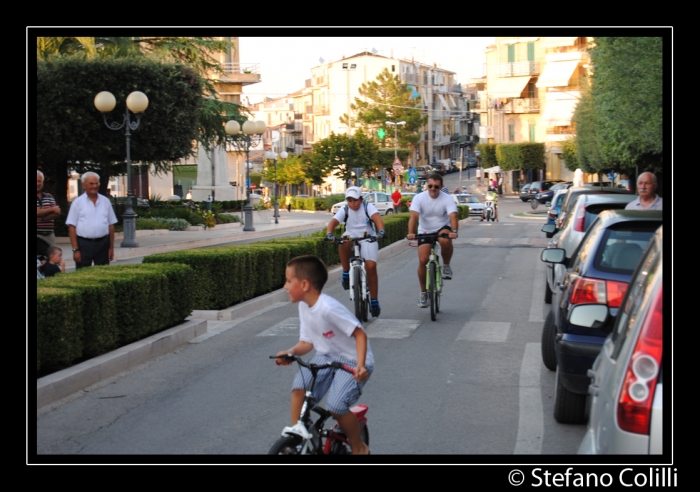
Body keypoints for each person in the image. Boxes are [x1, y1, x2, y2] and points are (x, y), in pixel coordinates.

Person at [274, 255, 373, 455]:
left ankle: (358, 446)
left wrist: (361, 365)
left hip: (352, 360)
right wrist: (291, 352)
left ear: (304, 285)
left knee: (336, 405)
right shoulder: (304, 306)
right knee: (299, 387)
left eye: (288, 281)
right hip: (327, 357)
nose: (284, 286)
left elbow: (360, 333)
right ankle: (298, 435)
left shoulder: (328, 307)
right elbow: (307, 342)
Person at [326, 186, 385, 317]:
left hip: (367, 238)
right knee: (343, 243)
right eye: (349, 200)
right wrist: (329, 233)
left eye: (355, 200)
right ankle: (346, 272)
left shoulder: (367, 207)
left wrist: (380, 232)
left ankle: (374, 300)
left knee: (371, 266)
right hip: (351, 236)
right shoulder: (345, 209)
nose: (353, 203)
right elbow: (333, 222)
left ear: (361, 199)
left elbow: (377, 219)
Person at [407, 173, 459, 308]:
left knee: (445, 240)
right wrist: (411, 233)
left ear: (441, 187)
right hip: (425, 230)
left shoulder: (447, 199)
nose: (433, 189)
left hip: (442, 227)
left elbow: (453, 216)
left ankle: (446, 265)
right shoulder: (419, 198)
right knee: (423, 260)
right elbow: (413, 217)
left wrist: (454, 231)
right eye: (430, 186)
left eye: (436, 186)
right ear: (426, 186)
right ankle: (423, 293)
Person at [65, 172, 118, 269]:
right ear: (83, 185)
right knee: (83, 273)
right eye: (91, 183)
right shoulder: (77, 203)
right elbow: (72, 227)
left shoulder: (105, 201)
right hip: (84, 244)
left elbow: (111, 225)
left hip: (102, 243)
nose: (94, 186)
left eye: (96, 183)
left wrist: (111, 248)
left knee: (103, 272)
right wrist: (75, 250)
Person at [37, 170, 61, 260]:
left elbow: (57, 212)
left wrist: (40, 218)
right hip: (37, 235)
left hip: (49, 235)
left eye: (39, 181)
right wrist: (51, 209)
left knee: (50, 260)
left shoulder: (49, 196)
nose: (37, 183)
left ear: (42, 182)